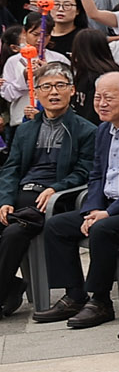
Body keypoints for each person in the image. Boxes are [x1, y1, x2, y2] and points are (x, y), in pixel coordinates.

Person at [35, 70, 119, 328]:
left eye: (109, 98)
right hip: (105, 205)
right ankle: (74, 294)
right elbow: (95, 176)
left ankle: (101, 301)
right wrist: (91, 209)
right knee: (57, 225)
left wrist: (109, 212)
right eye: (97, 97)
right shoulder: (104, 130)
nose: (101, 103)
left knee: (102, 229)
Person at [0, 65, 93, 318]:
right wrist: (5, 200)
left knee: (14, 234)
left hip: (53, 201)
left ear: (72, 90)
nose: (54, 92)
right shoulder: (26, 129)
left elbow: (84, 172)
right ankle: (10, 286)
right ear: (37, 93)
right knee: (8, 225)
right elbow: (11, 168)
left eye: (60, 85)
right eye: (46, 87)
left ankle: (6, 290)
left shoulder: (85, 130)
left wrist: (56, 188)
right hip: (20, 197)